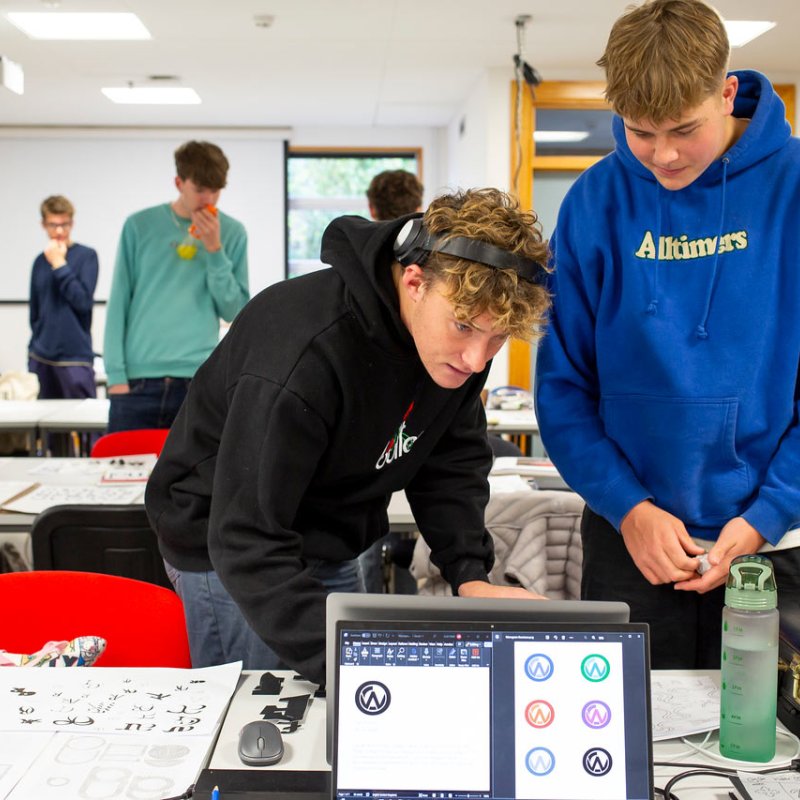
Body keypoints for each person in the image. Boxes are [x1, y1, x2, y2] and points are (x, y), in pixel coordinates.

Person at [145, 187, 551, 683]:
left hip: (336, 536)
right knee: (266, 721)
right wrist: (352, 663)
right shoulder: (302, 353)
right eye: (464, 326)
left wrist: (468, 576)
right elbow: (244, 537)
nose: (476, 359)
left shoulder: (456, 353)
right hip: (227, 547)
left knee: (348, 706)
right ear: (415, 281)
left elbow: (449, 464)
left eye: (496, 339)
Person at [534, 0, 800, 669]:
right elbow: (564, 387)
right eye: (640, 133)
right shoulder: (595, 201)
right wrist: (628, 508)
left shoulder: (792, 187)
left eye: (684, 129)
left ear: (727, 91)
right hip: (634, 542)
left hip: (778, 542)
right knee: (626, 749)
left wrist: (768, 514)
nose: (664, 155)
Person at [103, 140, 249, 433]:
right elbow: (119, 301)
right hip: (136, 382)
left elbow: (235, 310)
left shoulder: (232, 233)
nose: (209, 199)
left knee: (195, 479)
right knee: (123, 476)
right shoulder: (139, 226)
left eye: (216, 190)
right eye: (200, 189)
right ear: (179, 183)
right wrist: (116, 375)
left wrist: (214, 249)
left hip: (197, 380)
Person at [28, 195, 98, 402]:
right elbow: (35, 311)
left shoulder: (87, 256)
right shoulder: (40, 262)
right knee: (49, 432)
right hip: (41, 357)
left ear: (72, 223)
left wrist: (60, 265)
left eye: (64, 224)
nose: (59, 231)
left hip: (75, 358)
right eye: (53, 225)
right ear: (44, 225)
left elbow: (82, 302)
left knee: (85, 429)